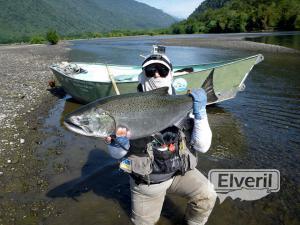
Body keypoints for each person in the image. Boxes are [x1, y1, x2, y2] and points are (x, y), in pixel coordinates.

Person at [105, 47, 216, 225]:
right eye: (150, 71)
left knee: (208, 194)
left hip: (180, 172)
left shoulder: (184, 105)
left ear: (170, 75)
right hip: (148, 182)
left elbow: (203, 146)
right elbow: (115, 155)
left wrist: (201, 113)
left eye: (162, 70)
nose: (156, 75)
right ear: (142, 76)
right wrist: (119, 144)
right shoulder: (123, 108)